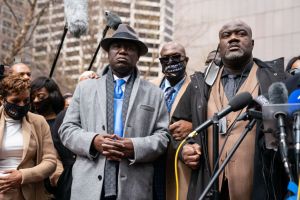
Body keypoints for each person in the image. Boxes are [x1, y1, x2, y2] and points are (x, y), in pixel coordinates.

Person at [174, 20, 290, 200]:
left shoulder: (275, 79)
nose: (233, 38)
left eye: (241, 34)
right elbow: (174, 131)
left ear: (252, 43)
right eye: (226, 36)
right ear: (219, 46)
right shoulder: (199, 84)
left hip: (261, 187)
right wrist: (183, 150)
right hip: (210, 188)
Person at [59, 24, 169, 200]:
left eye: (130, 48)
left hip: (135, 186)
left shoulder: (155, 93)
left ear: (138, 55)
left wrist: (134, 146)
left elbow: (163, 136)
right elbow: (67, 130)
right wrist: (93, 141)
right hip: (89, 186)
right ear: (108, 52)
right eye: (117, 46)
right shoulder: (85, 88)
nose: (123, 51)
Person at [0, 74, 57, 199]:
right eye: (15, 101)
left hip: (31, 193)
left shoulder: (39, 122)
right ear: (2, 100)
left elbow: (51, 161)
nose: (21, 105)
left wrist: (22, 176)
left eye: (26, 101)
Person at [151, 41, 192, 200]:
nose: (170, 62)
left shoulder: (197, 87)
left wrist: (193, 126)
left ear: (186, 60)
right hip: (152, 162)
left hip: (180, 162)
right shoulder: (150, 87)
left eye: (176, 57)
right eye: (165, 59)